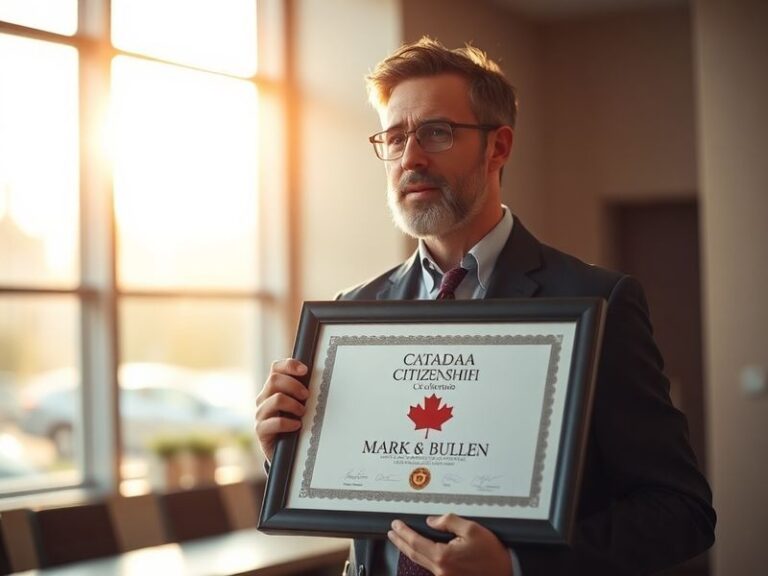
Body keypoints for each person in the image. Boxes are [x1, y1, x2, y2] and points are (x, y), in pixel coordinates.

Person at [255, 37, 716, 576]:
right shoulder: (354, 312)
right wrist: (288, 455)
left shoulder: (597, 303)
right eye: (395, 137)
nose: (411, 158)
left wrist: (518, 566)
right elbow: (361, 501)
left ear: (497, 148)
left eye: (436, 132)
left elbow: (681, 512)